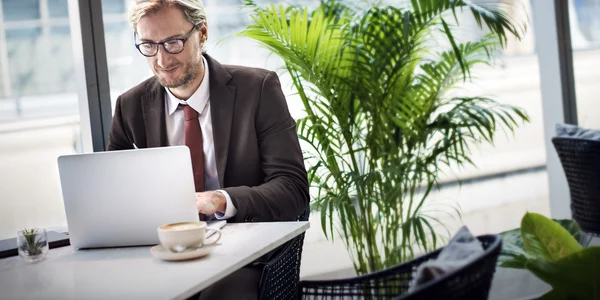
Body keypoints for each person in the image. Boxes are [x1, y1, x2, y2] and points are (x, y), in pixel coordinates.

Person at [107, 0, 309, 298]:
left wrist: (221, 200)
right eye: (149, 45)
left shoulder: (258, 89)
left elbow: (293, 189)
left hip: (243, 257)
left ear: (201, 33)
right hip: (163, 253)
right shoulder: (130, 106)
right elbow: (112, 194)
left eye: (173, 43)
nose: (161, 60)